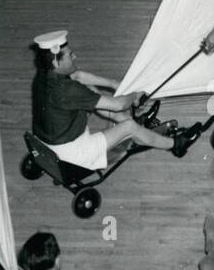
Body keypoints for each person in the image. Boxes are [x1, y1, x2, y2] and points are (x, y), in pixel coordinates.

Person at [30, 31, 189, 168]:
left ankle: (129, 123)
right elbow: (118, 104)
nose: (75, 56)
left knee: (90, 94)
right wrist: (134, 95)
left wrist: (114, 84)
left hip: (46, 142)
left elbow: (77, 76)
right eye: (70, 55)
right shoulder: (67, 90)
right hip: (73, 153)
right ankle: (175, 144)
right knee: (129, 126)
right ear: (56, 61)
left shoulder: (43, 76)